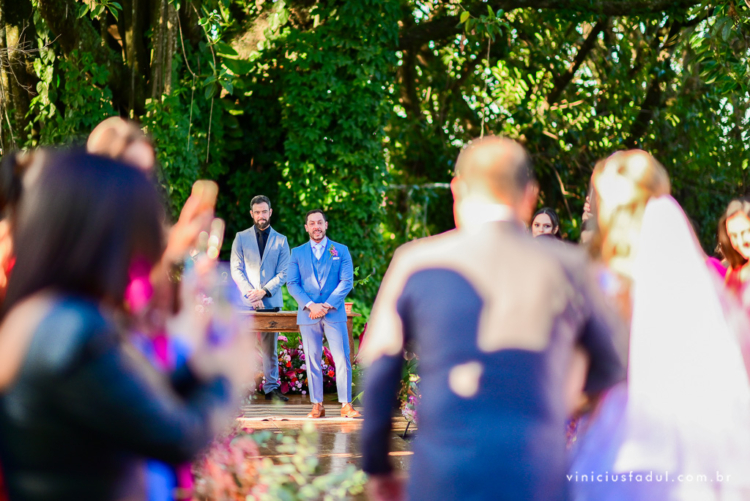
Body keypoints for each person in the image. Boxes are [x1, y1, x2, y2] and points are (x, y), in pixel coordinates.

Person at [360, 136, 625, 501]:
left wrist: (377, 467)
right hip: (539, 475)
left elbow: (379, 370)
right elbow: (612, 366)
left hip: (442, 477)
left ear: (457, 190)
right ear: (529, 196)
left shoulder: (415, 262)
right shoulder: (572, 266)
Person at [0, 150, 254, 500]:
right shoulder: (73, 330)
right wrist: (228, 375)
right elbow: (177, 437)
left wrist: (196, 367)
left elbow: (128, 400)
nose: (144, 255)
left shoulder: (47, 313)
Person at [570, 151, 750, 500]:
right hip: (697, 447)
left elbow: (575, 386)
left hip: (622, 449)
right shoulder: (693, 282)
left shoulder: (602, 286)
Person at [286, 209, 360, 419]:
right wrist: (311, 305)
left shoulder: (341, 251)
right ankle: (317, 404)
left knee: (342, 358)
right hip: (308, 314)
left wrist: (325, 306)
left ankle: (346, 404)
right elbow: (292, 283)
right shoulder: (297, 253)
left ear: (326, 225)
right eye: (312, 223)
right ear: (306, 227)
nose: (316, 226)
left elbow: (346, 282)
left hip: (333, 313)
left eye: (320, 222)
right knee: (312, 359)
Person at [230, 195, 291, 402]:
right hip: (245, 304)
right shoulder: (240, 237)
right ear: (251, 214)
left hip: (271, 303)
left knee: (270, 349)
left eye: (264, 211)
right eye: (257, 212)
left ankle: (271, 389)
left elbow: (284, 273)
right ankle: (241, 389)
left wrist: (263, 292)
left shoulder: (281, 240)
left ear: (270, 212)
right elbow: (236, 270)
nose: (261, 215)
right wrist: (251, 294)